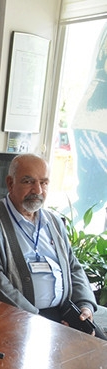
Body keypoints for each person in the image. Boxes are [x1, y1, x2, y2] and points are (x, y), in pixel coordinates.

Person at [0, 153, 102, 333]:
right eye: (28, 181)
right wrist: (40, 322)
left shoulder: (54, 222)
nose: (37, 190)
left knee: (99, 347)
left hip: (65, 315)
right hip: (19, 322)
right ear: (10, 183)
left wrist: (85, 306)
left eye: (44, 183)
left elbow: (73, 267)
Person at [70, 23, 107, 223]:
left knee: (92, 197)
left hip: (92, 120)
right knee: (92, 198)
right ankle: (57, 230)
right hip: (97, 122)